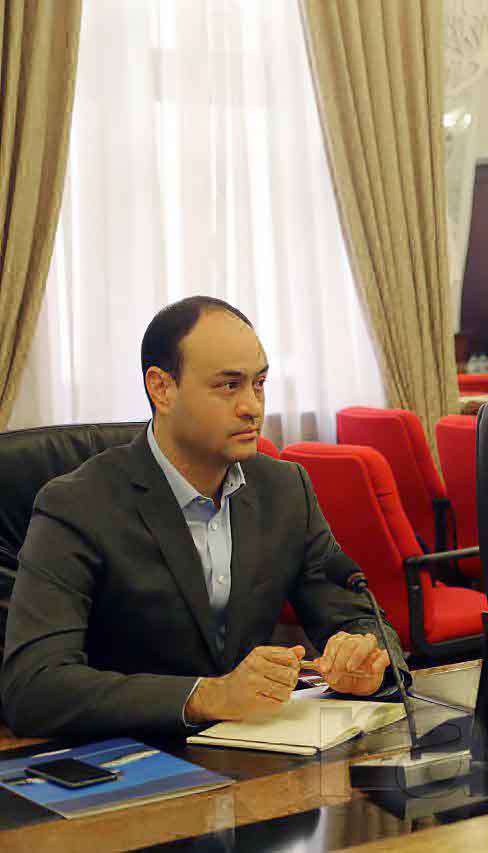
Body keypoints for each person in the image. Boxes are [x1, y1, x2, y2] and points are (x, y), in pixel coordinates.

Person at [1, 297, 406, 738]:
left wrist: (367, 661)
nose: (252, 406)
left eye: (259, 383)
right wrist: (205, 696)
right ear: (162, 389)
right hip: (131, 757)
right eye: (229, 386)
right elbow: (33, 687)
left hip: (259, 751)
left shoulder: (285, 489)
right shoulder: (77, 504)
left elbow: (357, 614)